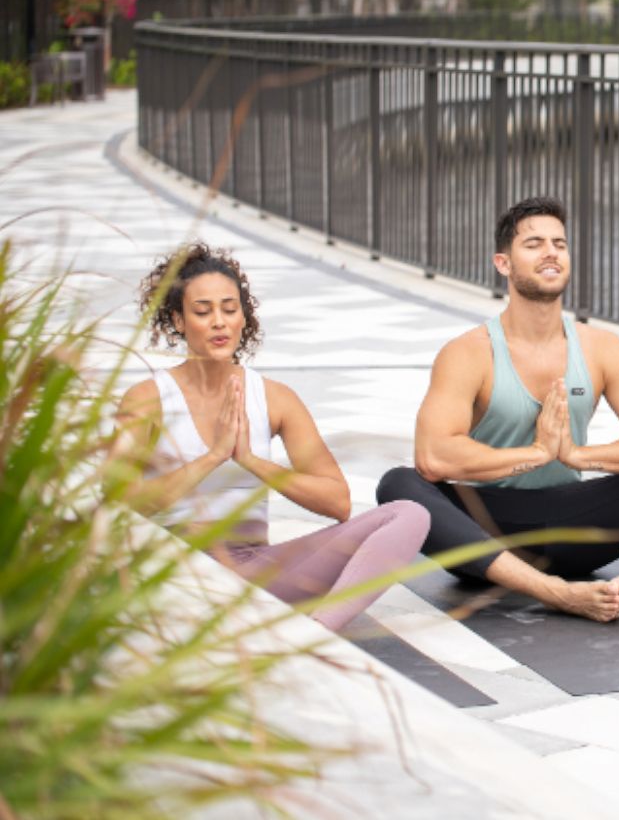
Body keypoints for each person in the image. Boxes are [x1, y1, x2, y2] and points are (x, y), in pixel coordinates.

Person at [376, 197, 619, 623]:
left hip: (576, 527)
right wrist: (535, 454)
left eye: (559, 244)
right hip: (488, 531)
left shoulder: (600, 348)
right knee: (398, 485)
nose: (551, 252)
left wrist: (578, 456)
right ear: (503, 263)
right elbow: (434, 458)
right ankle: (556, 594)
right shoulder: (468, 353)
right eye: (533, 244)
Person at [111, 243, 431, 632]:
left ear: (244, 318)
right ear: (178, 321)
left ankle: (320, 631)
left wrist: (252, 461)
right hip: (175, 571)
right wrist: (212, 456)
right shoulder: (148, 399)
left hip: (253, 572)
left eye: (230, 309)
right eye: (202, 311)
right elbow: (117, 502)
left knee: (409, 514)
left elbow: (338, 502)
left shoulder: (275, 398)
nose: (219, 322)